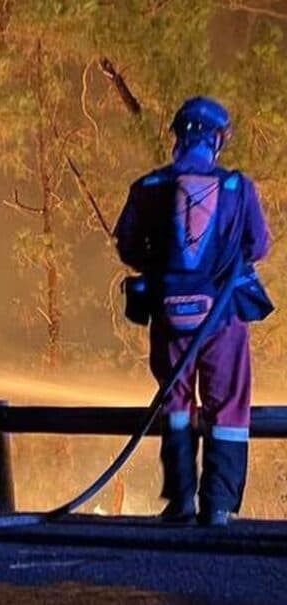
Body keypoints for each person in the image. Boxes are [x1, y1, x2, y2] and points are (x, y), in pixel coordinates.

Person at [114, 97, 272, 527]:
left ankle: (180, 501)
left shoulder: (147, 188)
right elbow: (258, 247)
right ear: (218, 139)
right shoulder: (238, 188)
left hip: (169, 320)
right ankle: (218, 506)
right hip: (223, 320)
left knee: (176, 405)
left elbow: (128, 247)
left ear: (178, 136)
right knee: (229, 409)